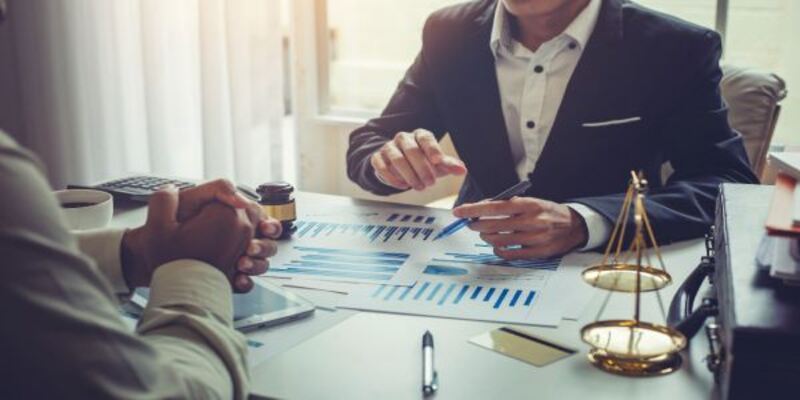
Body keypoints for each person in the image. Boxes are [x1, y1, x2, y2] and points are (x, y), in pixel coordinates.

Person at [346, 0, 758, 260]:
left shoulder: (675, 47)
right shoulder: (448, 31)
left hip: (612, 263)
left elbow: (727, 183)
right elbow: (370, 144)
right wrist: (387, 162)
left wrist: (584, 222)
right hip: (473, 256)